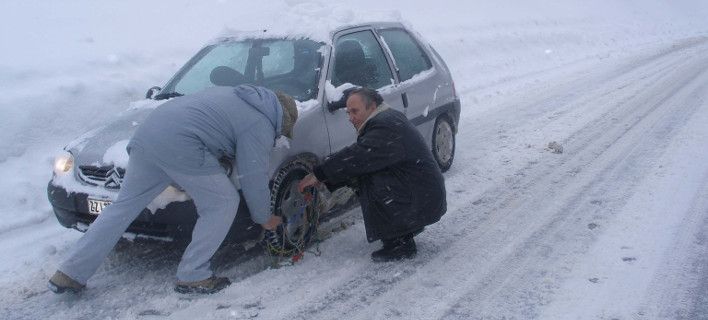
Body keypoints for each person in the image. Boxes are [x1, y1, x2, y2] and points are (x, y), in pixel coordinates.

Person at [49, 85, 298, 294]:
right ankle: (193, 274)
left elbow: (211, 128)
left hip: (147, 136)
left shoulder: (237, 96)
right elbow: (252, 175)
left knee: (123, 207)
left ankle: (70, 272)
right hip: (181, 143)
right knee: (223, 202)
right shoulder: (260, 123)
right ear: (282, 118)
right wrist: (264, 217)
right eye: (283, 130)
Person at [298, 87, 446, 262]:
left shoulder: (385, 125)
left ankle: (400, 243)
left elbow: (358, 156)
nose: (350, 118)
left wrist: (319, 174)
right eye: (348, 112)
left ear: (372, 106)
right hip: (423, 194)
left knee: (371, 180)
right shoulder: (386, 117)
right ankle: (406, 229)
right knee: (364, 173)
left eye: (355, 111)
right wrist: (327, 176)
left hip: (422, 198)